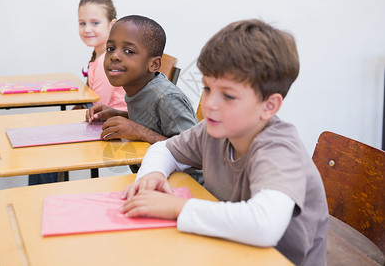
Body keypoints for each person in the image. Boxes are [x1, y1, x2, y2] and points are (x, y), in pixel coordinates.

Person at [121, 19, 329, 266]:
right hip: (227, 249)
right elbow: (164, 149)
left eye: (228, 95)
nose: (209, 104)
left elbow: (264, 226)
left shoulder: (279, 150)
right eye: (207, 88)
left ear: (269, 106)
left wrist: (177, 207)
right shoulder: (214, 130)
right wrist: (152, 173)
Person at [86, 15, 201, 181]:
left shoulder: (166, 97)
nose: (115, 56)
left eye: (129, 51)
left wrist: (138, 131)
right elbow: (155, 123)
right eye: (111, 48)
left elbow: (194, 156)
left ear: (153, 65)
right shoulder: (138, 87)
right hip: (154, 179)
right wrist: (117, 114)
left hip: (186, 187)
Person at [29, 0, 126, 185]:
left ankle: (43, 201)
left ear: (112, 25)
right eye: (82, 23)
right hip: (104, 125)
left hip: (114, 132)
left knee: (43, 149)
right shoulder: (99, 59)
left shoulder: (107, 62)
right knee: (42, 140)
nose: (87, 29)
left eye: (95, 23)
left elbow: (101, 107)